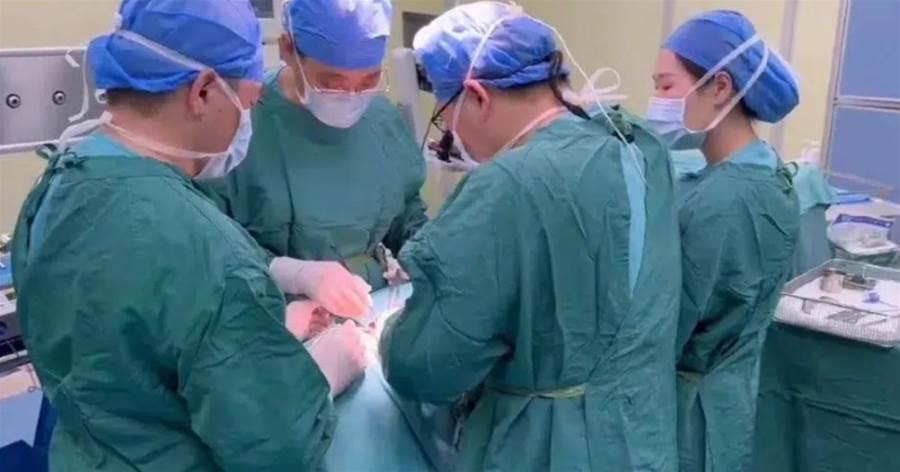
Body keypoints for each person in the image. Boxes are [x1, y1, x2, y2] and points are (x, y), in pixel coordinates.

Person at [10, 1, 367, 470]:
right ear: (202, 91)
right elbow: (277, 445)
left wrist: (266, 330)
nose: (246, 122)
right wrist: (325, 372)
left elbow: (125, 344)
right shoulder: (208, 251)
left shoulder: (56, 186)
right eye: (249, 103)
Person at [379, 2, 682, 470]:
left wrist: (389, 333)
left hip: (550, 448)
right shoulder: (638, 144)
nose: (451, 135)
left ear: (477, 96)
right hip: (641, 436)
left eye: (446, 116)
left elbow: (425, 367)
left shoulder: (507, 185)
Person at [646, 10, 801, 472]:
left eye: (666, 87)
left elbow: (668, 328)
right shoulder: (762, 170)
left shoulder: (725, 200)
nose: (656, 103)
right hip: (728, 398)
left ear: (719, 87)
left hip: (690, 418)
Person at [205, 0, 428, 318]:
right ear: (287, 49)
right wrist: (295, 274)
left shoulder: (380, 119)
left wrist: (422, 255)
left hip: (371, 304)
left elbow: (406, 214)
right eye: (331, 83)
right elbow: (209, 244)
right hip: (269, 314)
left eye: (368, 81)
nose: (351, 98)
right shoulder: (241, 120)